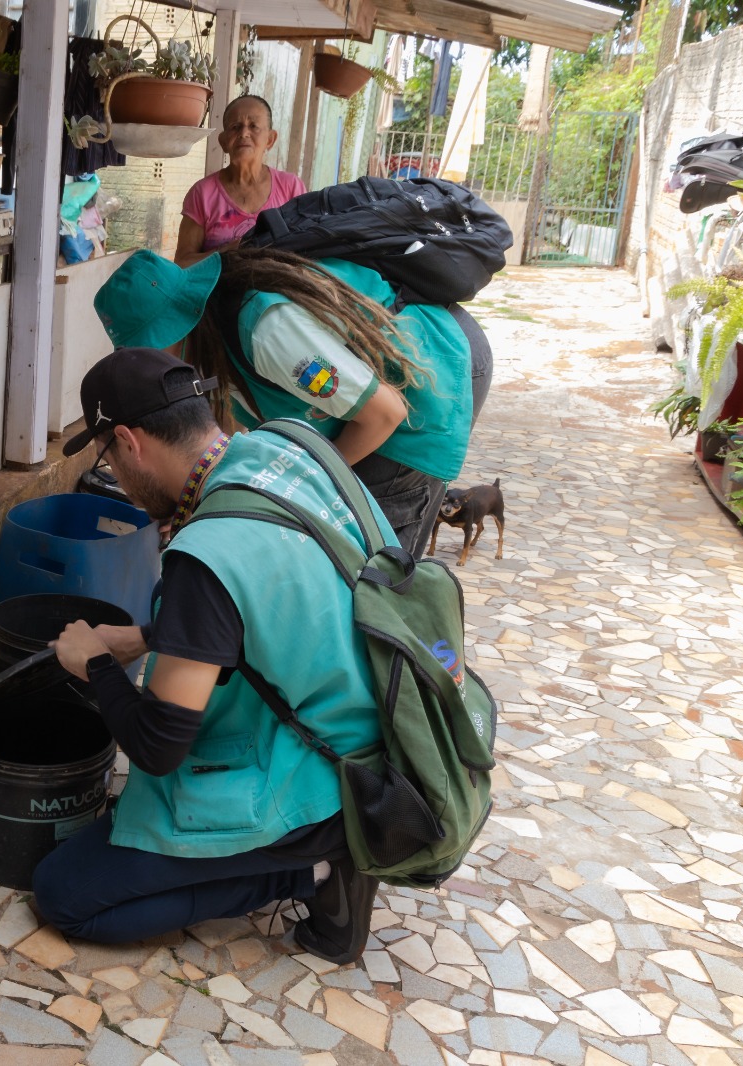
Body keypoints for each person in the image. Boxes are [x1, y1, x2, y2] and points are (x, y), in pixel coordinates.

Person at [30, 347, 381, 965]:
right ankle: (315, 852)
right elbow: (266, 599)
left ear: (128, 441)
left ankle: (312, 871)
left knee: (65, 895)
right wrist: (147, 636)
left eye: (107, 457)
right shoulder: (289, 447)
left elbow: (160, 747)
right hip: (369, 734)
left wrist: (97, 665)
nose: (112, 471)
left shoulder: (203, 551)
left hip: (327, 783)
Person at [93, 246, 492, 555]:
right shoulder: (206, 345)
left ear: (179, 323)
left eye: (149, 349)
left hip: (433, 379)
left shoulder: (268, 331)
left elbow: (384, 414)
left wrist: (297, 480)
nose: (147, 366)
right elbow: (226, 439)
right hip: (375, 403)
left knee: (368, 561)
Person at [174, 96, 306, 266]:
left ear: (270, 139)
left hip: (278, 290)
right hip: (221, 291)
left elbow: (307, 252)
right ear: (223, 142)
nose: (244, 133)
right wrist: (229, 251)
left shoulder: (291, 188)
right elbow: (183, 262)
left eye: (254, 126)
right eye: (235, 127)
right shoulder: (203, 194)